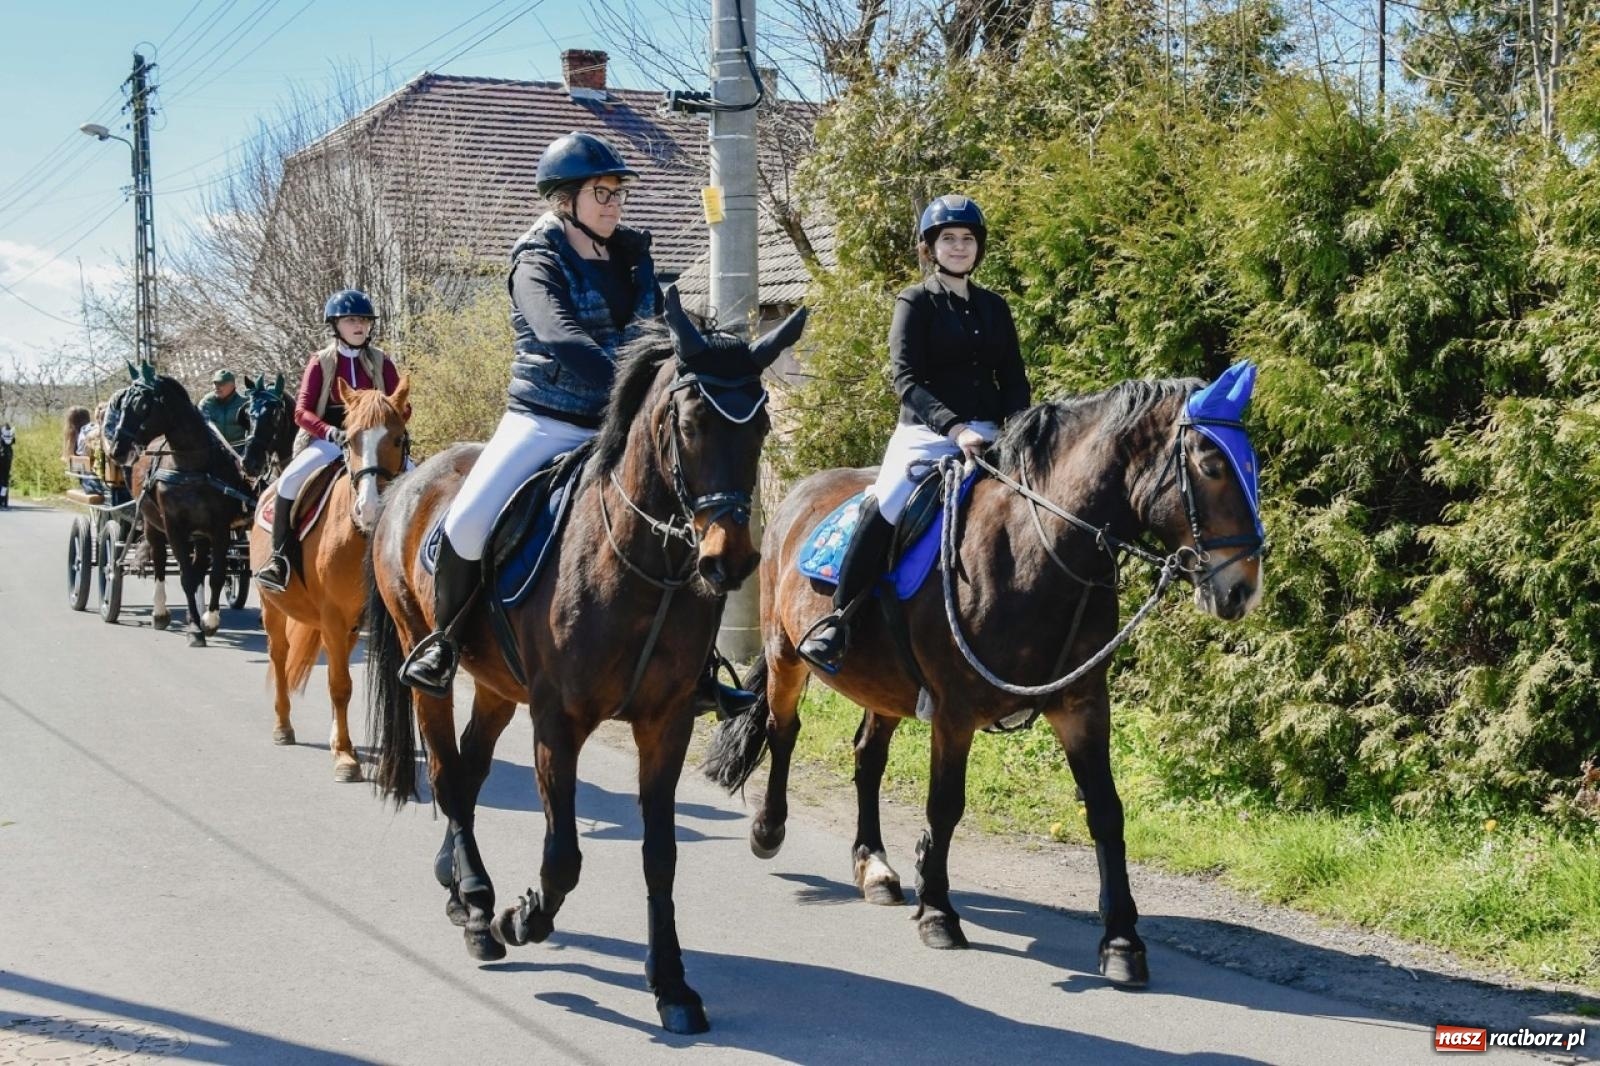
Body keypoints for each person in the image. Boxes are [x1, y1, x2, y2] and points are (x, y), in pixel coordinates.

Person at [398, 131, 758, 718]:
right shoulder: (534, 259)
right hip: (546, 418)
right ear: (564, 199)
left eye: (618, 193)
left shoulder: (632, 254)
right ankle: (445, 642)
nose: (615, 204)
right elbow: (560, 336)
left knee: (691, 521)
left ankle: (700, 668)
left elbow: (658, 329)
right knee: (465, 523)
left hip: (623, 425)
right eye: (602, 193)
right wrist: (632, 386)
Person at [798, 195, 1032, 671]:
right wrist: (956, 427)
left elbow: (1013, 378)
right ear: (931, 248)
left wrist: (1023, 429)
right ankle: (839, 621)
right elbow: (906, 379)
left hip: (992, 437)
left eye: (968, 239)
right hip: (927, 434)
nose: (960, 247)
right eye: (949, 239)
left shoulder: (995, 307)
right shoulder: (915, 301)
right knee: (886, 502)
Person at [254, 289, 406, 593]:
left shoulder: (382, 361)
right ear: (336, 325)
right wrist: (328, 432)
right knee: (289, 481)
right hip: (330, 437)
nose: (360, 325)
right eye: (351, 320)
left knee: (416, 479)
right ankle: (280, 559)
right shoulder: (321, 362)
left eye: (364, 319)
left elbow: (401, 403)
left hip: (373, 438)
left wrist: (391, 421)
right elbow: (301, 411)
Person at [199, 369, 248, 450]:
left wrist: (243, 457)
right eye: (215, 383)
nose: (217, 387)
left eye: (221, 383)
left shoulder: (245, 404)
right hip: (214, 453)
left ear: (232, 385)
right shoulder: (206, 403)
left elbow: (252, 435)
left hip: (238, 453)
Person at [0, 424, 14, 509]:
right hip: (7, 458)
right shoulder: (10, 432)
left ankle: (2, 500)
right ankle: (2, 500)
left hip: (4, 457)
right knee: (5, 480)